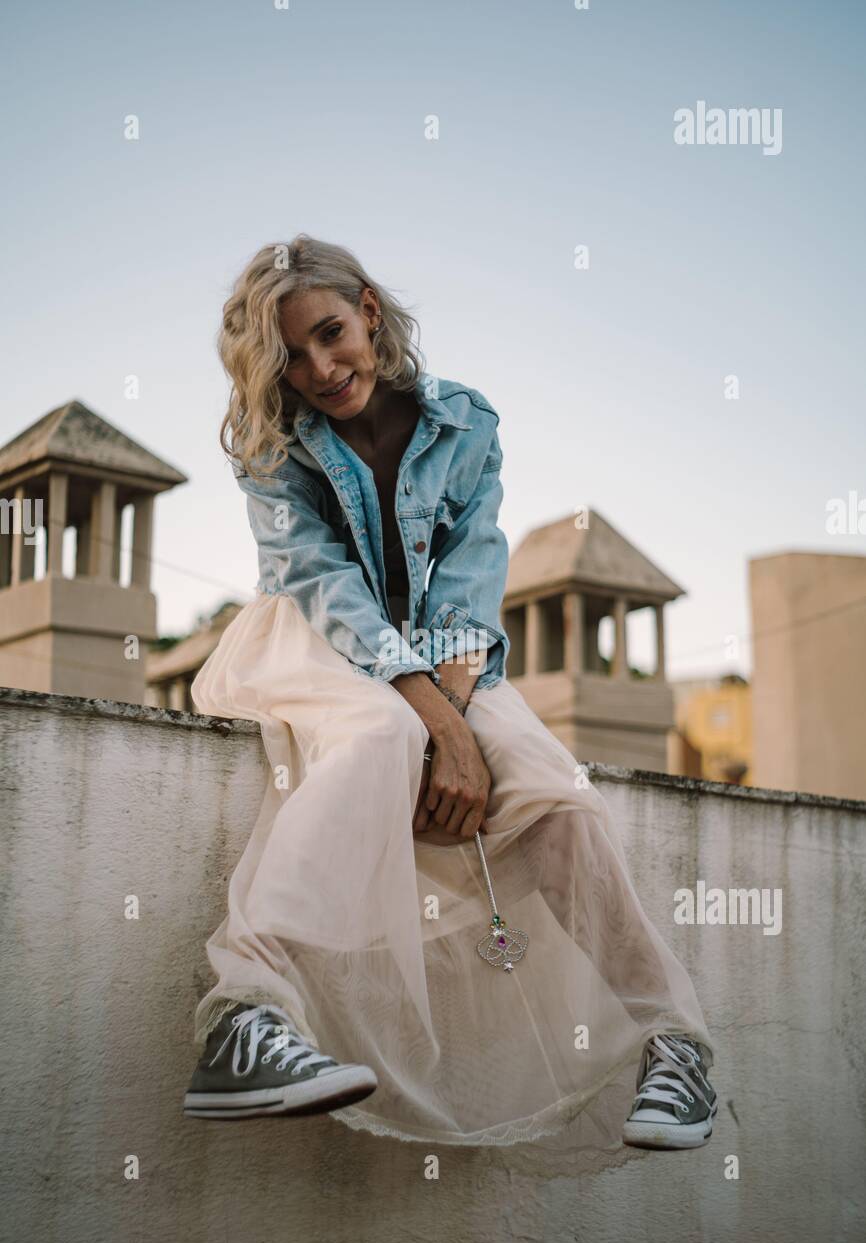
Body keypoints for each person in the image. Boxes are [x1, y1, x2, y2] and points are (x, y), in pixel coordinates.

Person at [182, 233, 718, 1151]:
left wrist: (456, 705)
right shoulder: (272, 442)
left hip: (445, 650)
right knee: (379, 738)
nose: (318, 368)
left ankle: (674, 1042)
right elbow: (318, 578)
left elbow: (471, 568)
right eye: (290, 358)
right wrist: (430, 717)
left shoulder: (466, 422)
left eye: (331, 333)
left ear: (369, 313)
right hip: (314, 637)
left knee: (556, 794)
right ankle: (245, 1014)